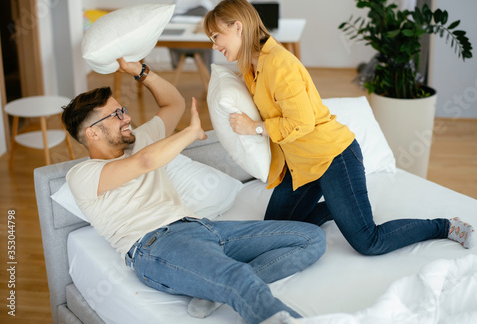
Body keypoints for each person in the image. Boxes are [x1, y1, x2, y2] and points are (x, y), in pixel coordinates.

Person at [61, 57, 326, 324]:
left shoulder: (142, 139)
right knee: (237, 276)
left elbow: (173, 103)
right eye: (116, 114)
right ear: (93, 133)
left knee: (311, 238)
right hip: (156, 246)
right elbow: (144, 162)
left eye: (124, 109)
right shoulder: (82, 176)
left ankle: (212, 289)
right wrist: (190, 133)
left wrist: (139, 71)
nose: (127, 117)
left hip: (202, 228)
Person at [203, 0, 474, 255]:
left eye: (216, 37)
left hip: (334, 157)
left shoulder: (278, 64)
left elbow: (302, 123)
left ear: (237, 27)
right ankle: (337, 207)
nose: (214, 45)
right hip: (302, 165)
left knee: (369, 242)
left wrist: (256, 127)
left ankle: (446, 226)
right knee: (274, 232)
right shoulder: (252, 67)